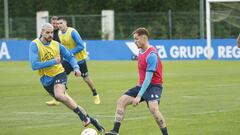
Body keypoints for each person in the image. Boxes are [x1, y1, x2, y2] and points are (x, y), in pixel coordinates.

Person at [29, 23, 105, 132]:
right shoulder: (34, 44)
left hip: (59, 73)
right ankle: (93, 121)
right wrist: (53, 61)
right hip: (46, 80)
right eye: (48, 33)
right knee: (70, 102)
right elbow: (34, 65)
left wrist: (76, 67)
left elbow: (70, 56)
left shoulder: (56, 44)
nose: (51, 35)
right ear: (42, 32)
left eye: (52, 32)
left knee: (59, 95)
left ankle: (83, 118)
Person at [105, 27, 168, 135]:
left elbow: (148, 79)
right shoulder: (141, 50)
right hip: (142, 85)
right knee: (121, 101)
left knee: (153, 109)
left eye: (136, 39)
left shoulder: (152, 55)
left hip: (154, 86)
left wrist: (139, 96)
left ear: (144, 38)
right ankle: (115, 131)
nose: (134, 41)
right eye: (134, 39)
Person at [57, 17, 101, 104]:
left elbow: (81, 46)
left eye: (61, 23)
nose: (59, 25)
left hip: (79, 60)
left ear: (66, 23)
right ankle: (59, 97)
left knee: (86, 78)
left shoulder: (72, 32)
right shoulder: (59, 33)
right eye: (58, 24)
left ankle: (95, 94)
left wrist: (70, 52)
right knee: (60, 76)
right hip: (67, 60)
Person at [45, 16, 61, 106]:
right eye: (53, 23)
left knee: (59, 76)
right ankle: (57, 96)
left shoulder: (60, 33)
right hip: (52, 59)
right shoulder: (48, 33)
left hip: (60, 58)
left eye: (56, 23)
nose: (55, 25)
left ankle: (57, 97)